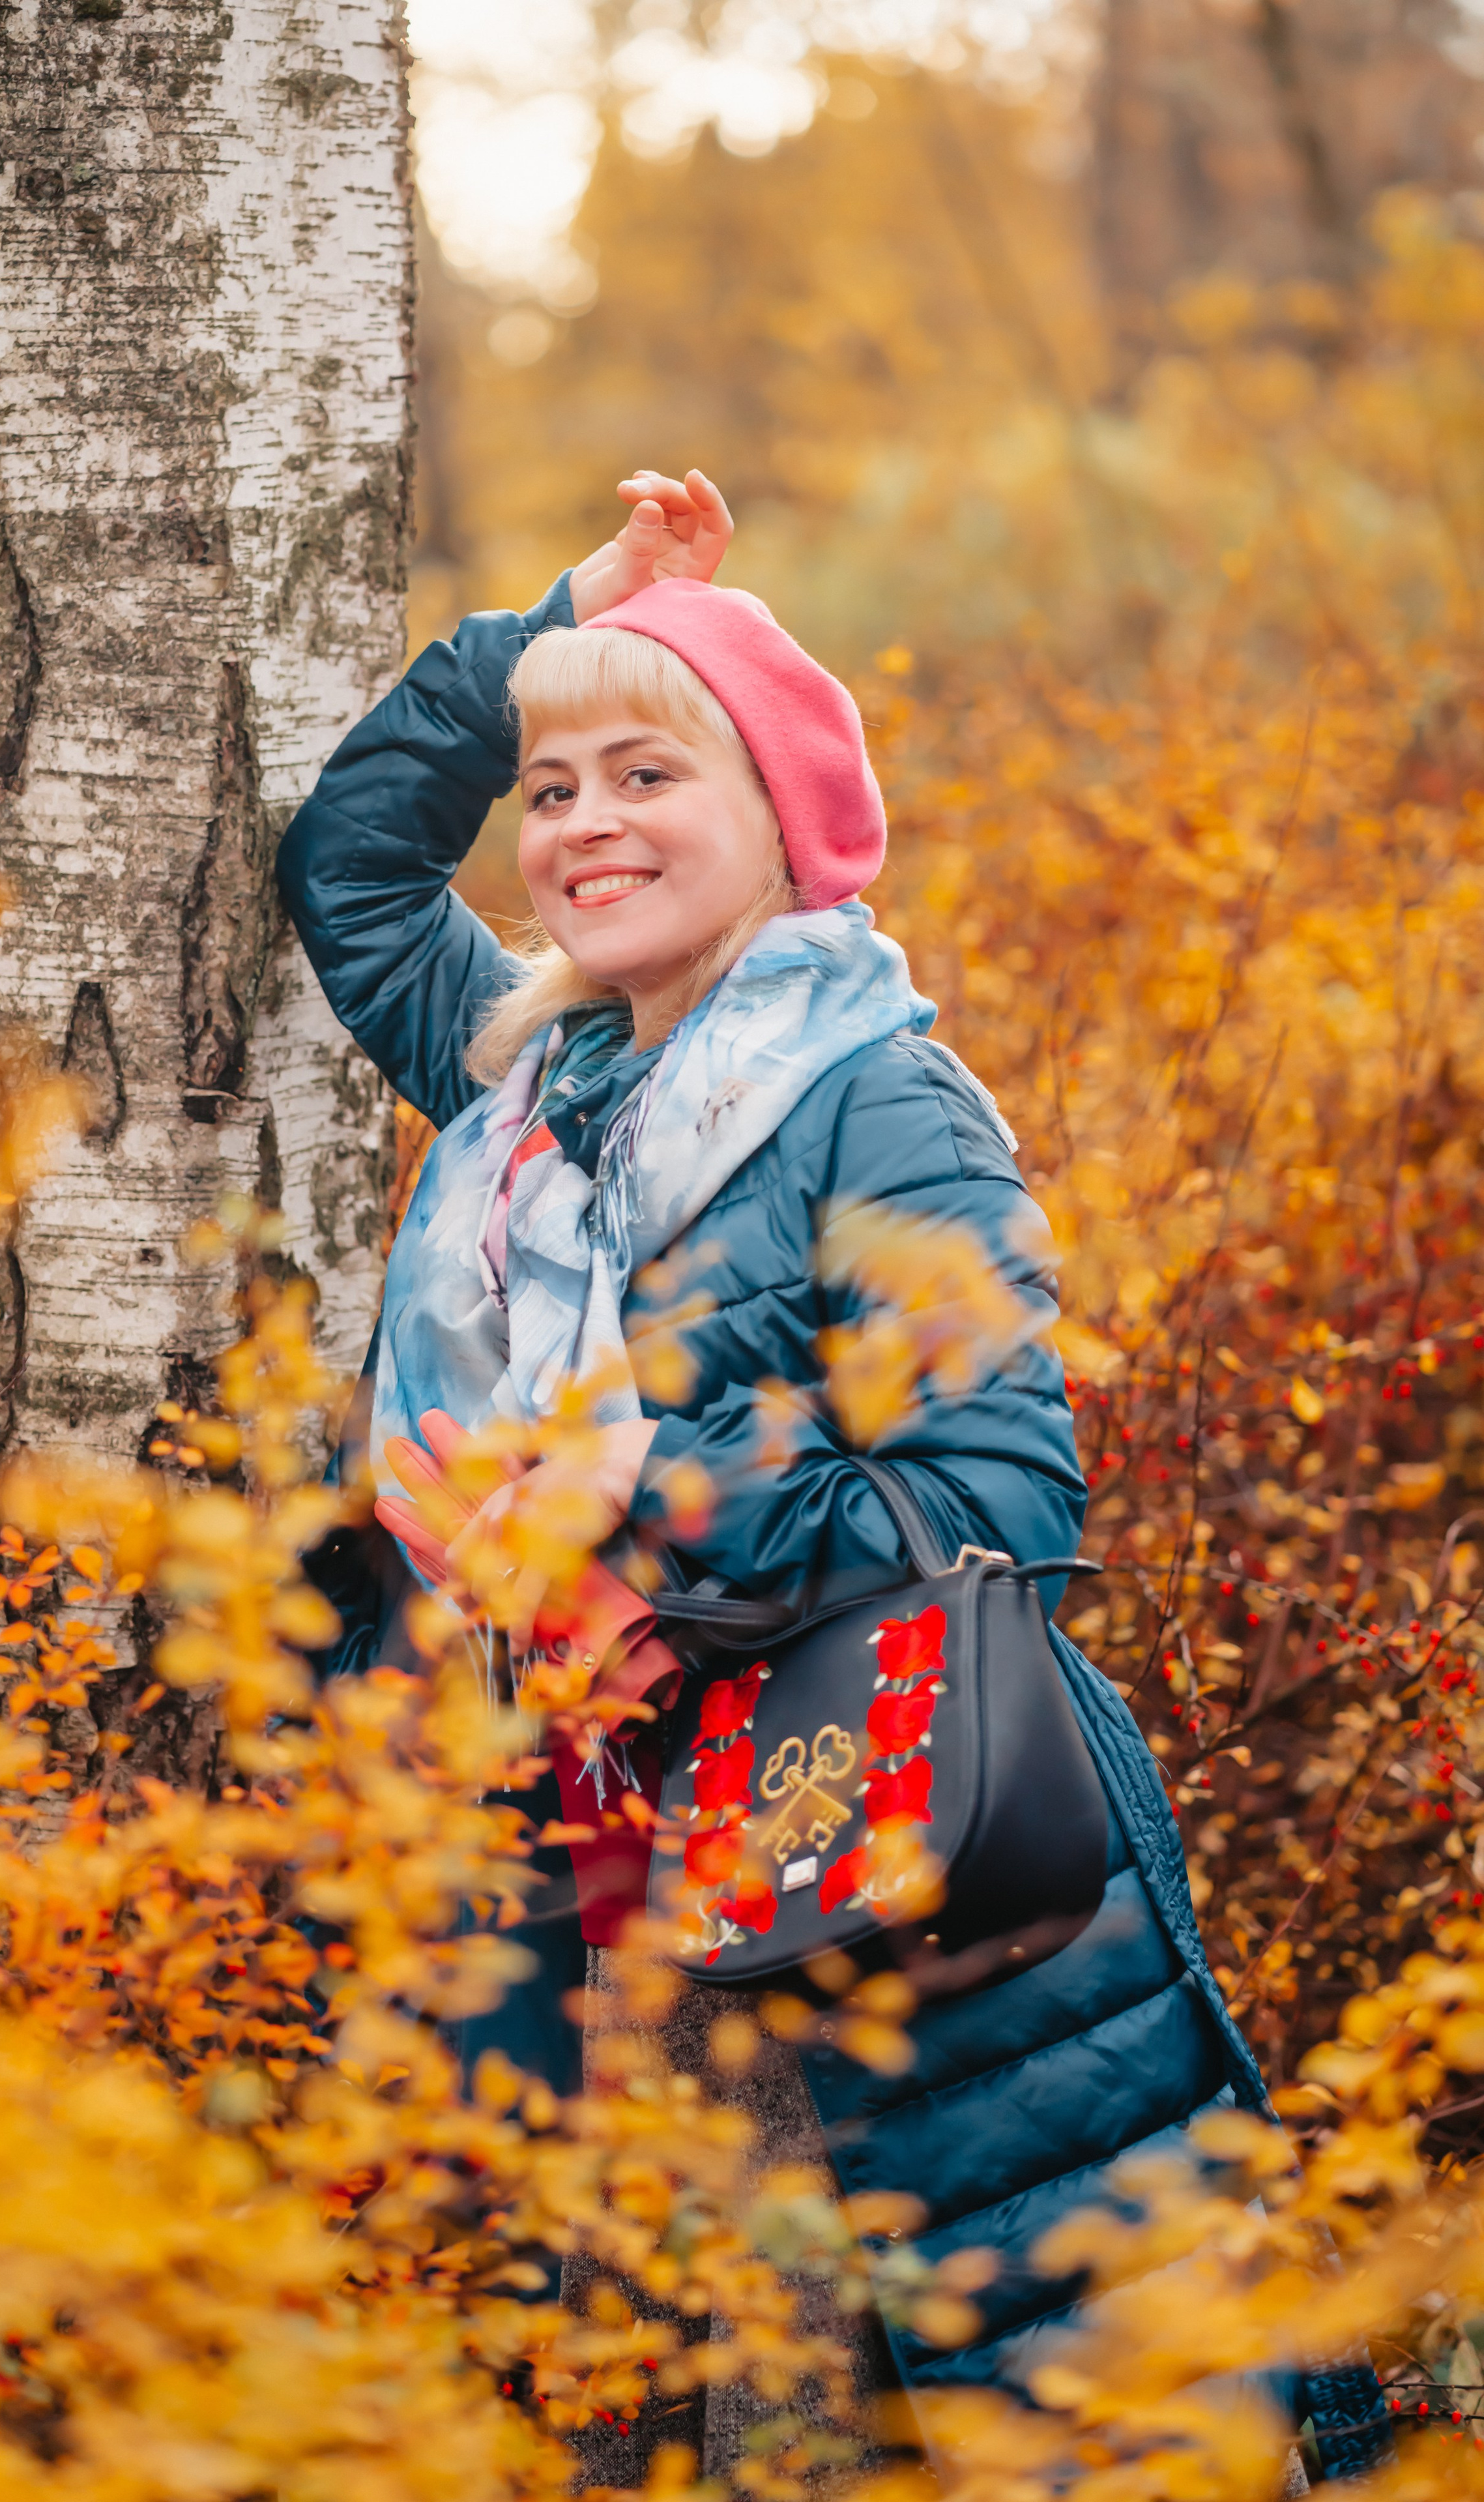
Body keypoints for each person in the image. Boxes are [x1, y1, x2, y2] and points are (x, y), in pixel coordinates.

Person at [275, 471, 1384, 2478]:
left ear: (783, 822)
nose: (586, 826)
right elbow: (351, 861)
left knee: (915, 2415)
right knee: (620, 2397)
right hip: (572, 1866)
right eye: (550, 791)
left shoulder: (882, 1097)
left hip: (854, 1867)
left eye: (647, 775)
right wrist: (560, 623)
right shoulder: (536, 1073)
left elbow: (998, 1492)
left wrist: (623, 1512)